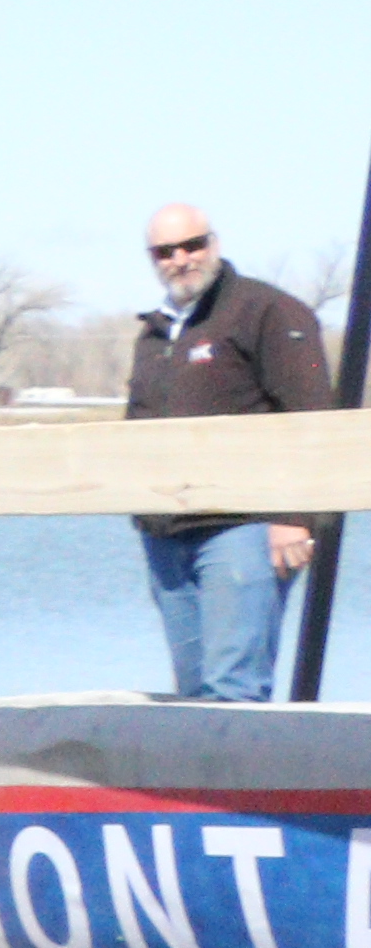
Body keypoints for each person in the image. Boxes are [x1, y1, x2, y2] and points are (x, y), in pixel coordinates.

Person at [127, 201, 330, 701]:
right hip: (166, 536)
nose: (181, 258)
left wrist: (296, 517)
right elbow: (134, 430)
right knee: (194, 695)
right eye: (165, 251)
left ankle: (245, 780)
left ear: (214, 245)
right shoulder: (155, 333)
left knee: (234, 690)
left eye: (192, 245)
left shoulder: (264, 311)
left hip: (242, 529)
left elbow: (313, 418)